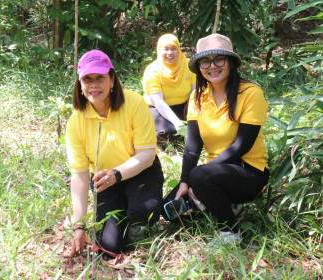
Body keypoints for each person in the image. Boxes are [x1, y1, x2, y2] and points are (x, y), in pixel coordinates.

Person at [164, 33, 269, 244]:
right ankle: (226, 204)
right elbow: (192, 145)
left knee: (202, 177)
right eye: (205, 61)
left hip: (249, 172)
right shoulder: (198, 98)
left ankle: (229, 232)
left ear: (230, 62)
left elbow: (241, 146)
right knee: (169, 211)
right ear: (199, 67)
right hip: (213, 172)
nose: (212, 66)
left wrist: (197, 178)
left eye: (218, 59)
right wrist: (186, 181)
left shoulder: (250, 93)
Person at [66, 50, 164, 257]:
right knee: (108, 248)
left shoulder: (134, 103)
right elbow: (80, 176)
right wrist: (79, 227)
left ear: (112, 80)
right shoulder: (76, 122)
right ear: (80, 85)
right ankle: (123, 218)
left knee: (144, 210)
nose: (94, 85)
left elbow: (146, 154)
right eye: (87, 79)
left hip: (140, 172)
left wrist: (117, 174)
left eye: (100, 78)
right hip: (104, 180)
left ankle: (139, 223)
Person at [142, 34, 196, 145]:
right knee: (167, 132)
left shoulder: (188, 65)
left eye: (173, 49)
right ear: (159, 50)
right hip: (158, 109)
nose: (170, 53)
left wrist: (193, 116)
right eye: (165, 49)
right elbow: (158, 101)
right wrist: (177, 123)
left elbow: (195, 93)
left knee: (200, 125)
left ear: (179, 49)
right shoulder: (153, 70)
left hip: (184, 106)